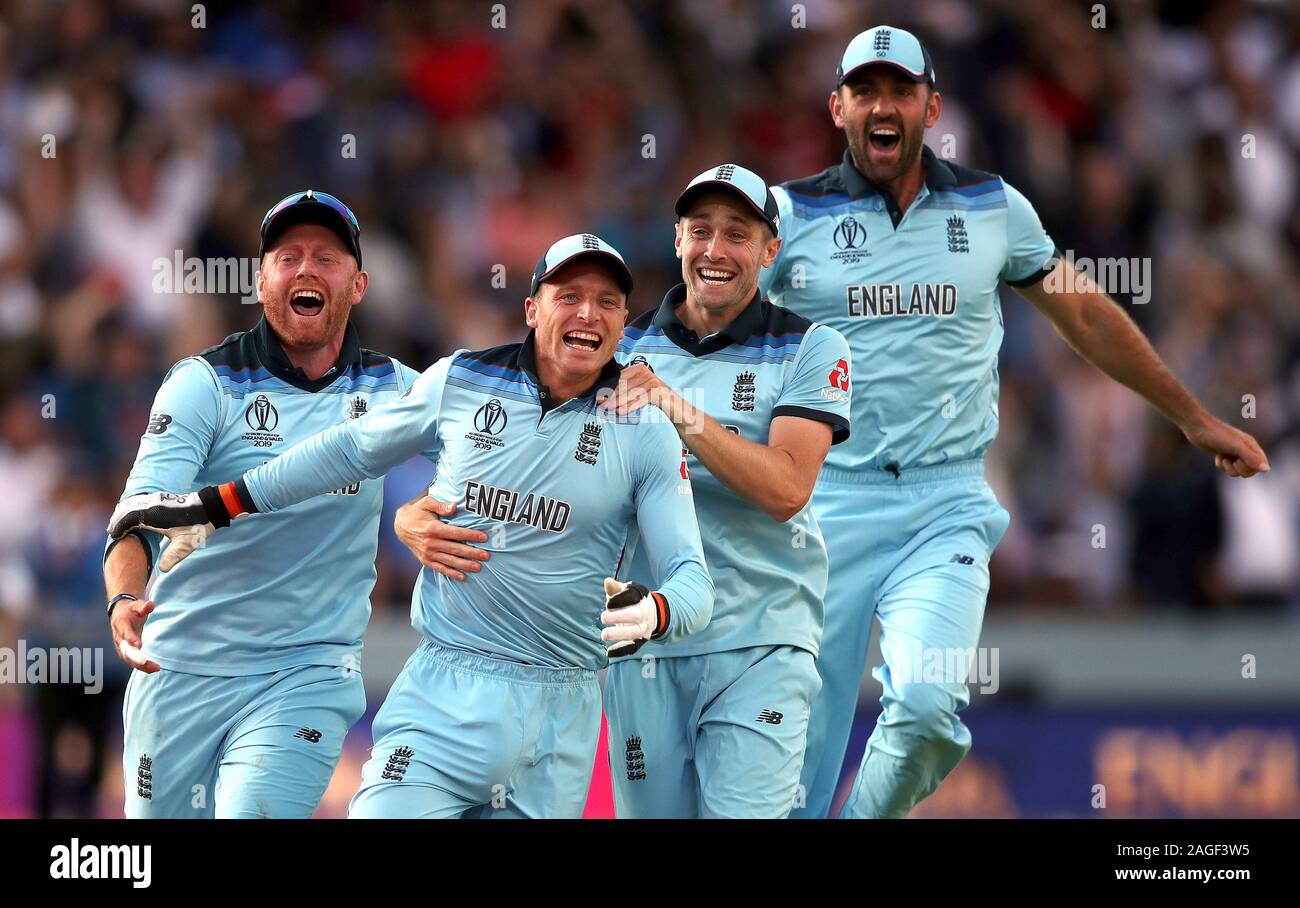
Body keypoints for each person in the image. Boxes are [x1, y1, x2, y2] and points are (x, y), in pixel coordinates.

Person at [760, 25, 1269, 819]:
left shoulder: (993, 207)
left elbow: (1088, 317)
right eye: (865, 91)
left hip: (945, 505)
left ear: (932, 107)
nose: (882, 106)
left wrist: (1192, 417)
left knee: (927, 710)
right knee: (793, 763)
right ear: (838, 107)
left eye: (901, 91)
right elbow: (707, 326)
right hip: (820, 504)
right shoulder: (786, 216)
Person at [109, 233, 715, 819]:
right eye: (569, 297)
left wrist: (657, 612)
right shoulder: (460, 382)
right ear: (532, 310)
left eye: (607, 302)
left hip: (563, 708)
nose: (588, 313)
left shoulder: (647, 432)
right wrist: (223, 504)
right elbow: (349, 450)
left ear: (623, 319)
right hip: (445, 686)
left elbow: (692, 582)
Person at [103, 190, 431, 818]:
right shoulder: (204, 384)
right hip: (178, 670)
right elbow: (137, 517)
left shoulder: (398, 390)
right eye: (288, 257)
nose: (306, 268)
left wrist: (425, 508)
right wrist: (123, 598)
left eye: (326, 257)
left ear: (358, 284)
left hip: (305, 674)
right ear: (261, 281)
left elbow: (495, 459)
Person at [596, 163, 852, 817]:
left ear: (770, 250)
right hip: (641, 635)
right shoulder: (617, 351)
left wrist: (673, 407)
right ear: (678, 240)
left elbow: (787, 487)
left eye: (737, 234)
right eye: (701, 230)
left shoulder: (811, 348)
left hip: (761, 637)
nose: (715, 250)